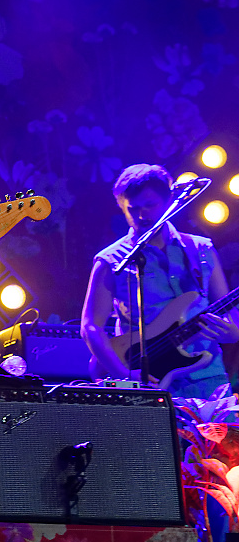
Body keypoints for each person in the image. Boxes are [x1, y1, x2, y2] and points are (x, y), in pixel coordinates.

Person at [81, 163, 238, 398]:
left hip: (208, 378)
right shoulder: (111, 260)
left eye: (150, 205)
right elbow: (91, 326)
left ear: (169, 201)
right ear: (121, 206)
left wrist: (232, 332)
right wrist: (124, 374)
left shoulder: (200, 248)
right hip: (146, 381)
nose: (141, 215)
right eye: (133, 208)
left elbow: (227, 307)